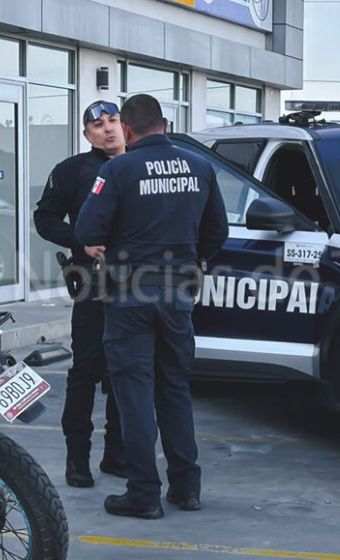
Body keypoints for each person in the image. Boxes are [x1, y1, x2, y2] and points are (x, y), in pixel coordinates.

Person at [74, 93, 229, 519]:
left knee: (134, 394)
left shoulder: (118, 168)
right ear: (165, 123)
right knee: (175, 390)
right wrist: (191, 259)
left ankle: (143, 493)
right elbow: (218, 231)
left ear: (126, 129)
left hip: (129, 297)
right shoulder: (200, 167)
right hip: (179, 294)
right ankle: (186, 487)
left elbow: (87, 228)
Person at [33, 100, 128, 488]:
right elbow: (45, 217)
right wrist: (80, 243)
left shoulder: (140, 166)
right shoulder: (72, 171)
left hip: (136, 286)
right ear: (86, 134)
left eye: (114, 121)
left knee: (127, 373)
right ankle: (78, 461)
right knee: (86, 373)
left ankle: (117, 456)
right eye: (98, 125)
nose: (108, 129)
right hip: (92, 283)